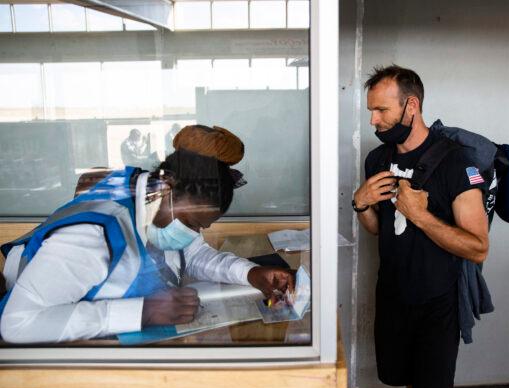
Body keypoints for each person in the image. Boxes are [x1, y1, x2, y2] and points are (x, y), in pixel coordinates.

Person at [0, 124, 294, 343]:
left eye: (201, 227)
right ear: (165, 191)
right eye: (191, 223)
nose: (192, 233)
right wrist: (144, 312)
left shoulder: (154, 196)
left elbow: (191, 255)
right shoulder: (90, 237)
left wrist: (250, 273)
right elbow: (18, 323)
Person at [353, 65, 489, 388]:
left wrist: (420, 216)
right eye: (371, 111)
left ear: (411, 106)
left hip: (437, 304)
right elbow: (376, 231)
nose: (374, 121)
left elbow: (478, 248)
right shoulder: (376, 159)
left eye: (382, 110)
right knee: (406, 382)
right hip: (392, 295)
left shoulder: (457, 163)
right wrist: (361, 205)